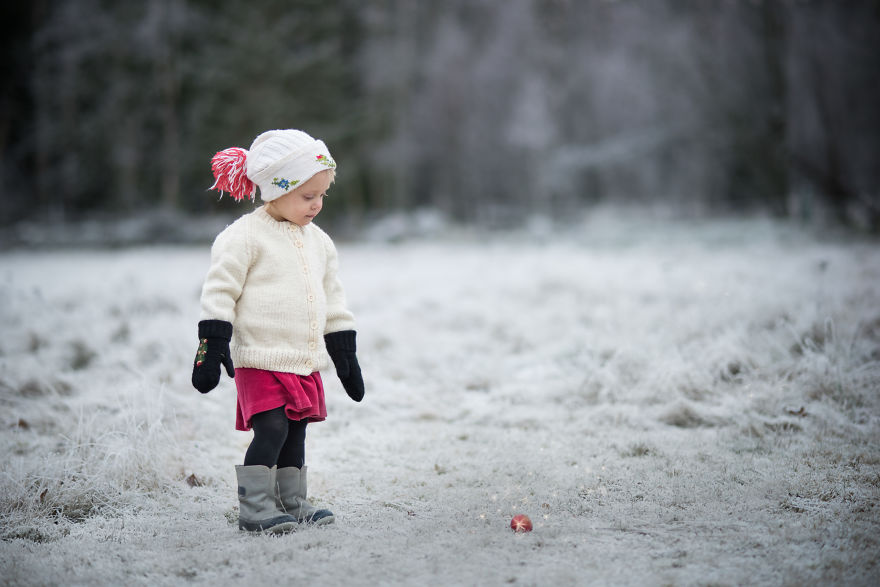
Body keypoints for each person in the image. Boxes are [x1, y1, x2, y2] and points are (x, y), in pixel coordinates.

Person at [191, 129, 364, 533]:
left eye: (323, 195)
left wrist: (345, 354)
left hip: (302, 361)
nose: (317, 205)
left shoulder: (320, 243)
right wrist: (211, 344)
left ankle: (292, 502)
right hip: (260, 358)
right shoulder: (244, 237)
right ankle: (254, 508)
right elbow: (220, 289)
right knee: (272, 428)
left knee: (296, 433)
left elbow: (333, 299)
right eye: (308, 196)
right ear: (275, 189)